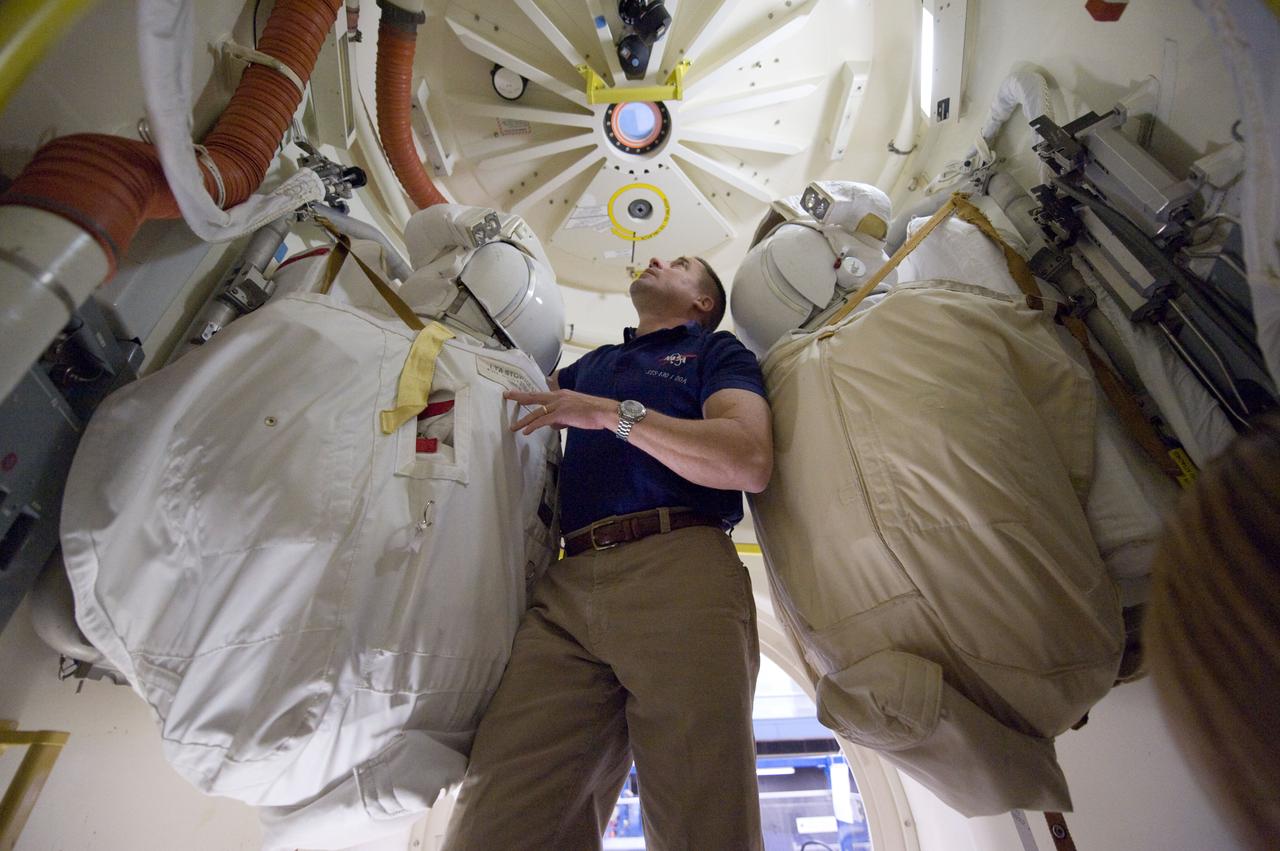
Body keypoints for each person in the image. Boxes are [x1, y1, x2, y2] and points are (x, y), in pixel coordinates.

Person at [440, 255, 773, 850]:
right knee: (496, 815)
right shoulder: (588, 366)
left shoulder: (716, 354)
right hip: (566, 585)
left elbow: (745, 458)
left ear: (703, 303)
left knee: (701, 817)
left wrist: (611, 416)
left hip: (679, 567)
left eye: (680, 264)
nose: (655, 259)